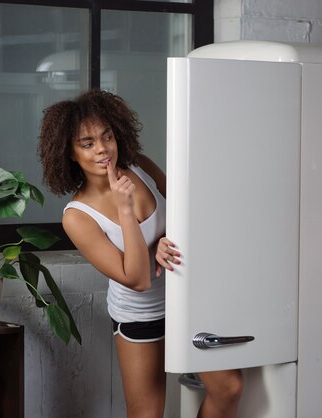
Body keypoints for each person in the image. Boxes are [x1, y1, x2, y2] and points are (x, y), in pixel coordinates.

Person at [37, 89, 243, 418]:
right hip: (140, 317)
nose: (102, 149)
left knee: (229, 387)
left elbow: (188, 214)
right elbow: (136, 279)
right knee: (146, 414)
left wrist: (167, 237)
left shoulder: (140, 166)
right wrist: (125, 210)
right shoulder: (77, 216)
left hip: (187, 300)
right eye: (87, 143)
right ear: (70, 153)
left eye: (107, 137)